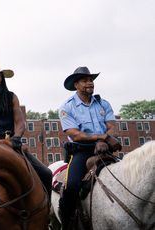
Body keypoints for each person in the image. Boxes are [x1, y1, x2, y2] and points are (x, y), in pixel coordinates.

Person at [0, 62, 52, 197]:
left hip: (13, 145)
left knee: (46, 174)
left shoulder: (12, 97)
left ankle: (46, 211)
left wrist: (16, 137)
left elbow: (20, 123)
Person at [58, 66, 121, 229]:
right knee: (71, 186)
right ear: (76, 84)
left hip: (105, 149)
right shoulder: (67, 107)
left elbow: (112, 126)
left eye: (91, 80)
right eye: (85, 80)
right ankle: (67, 223)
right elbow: (75, 134)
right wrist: (102, 137)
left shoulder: (103, 103)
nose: (90, 83)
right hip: (81, 152)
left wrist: (105, 141)